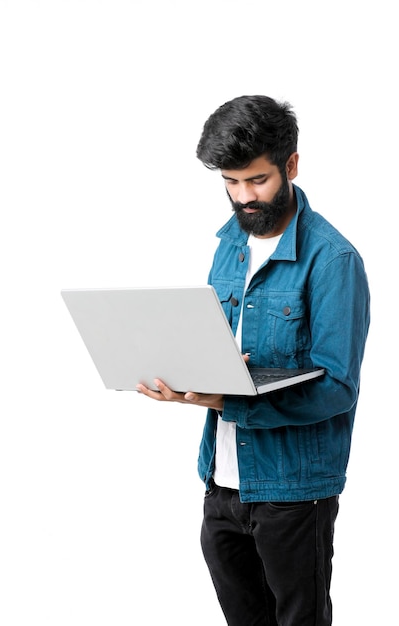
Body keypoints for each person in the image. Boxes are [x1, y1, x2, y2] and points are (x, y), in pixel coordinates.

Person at [136, 95, 370, 625]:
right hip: (221, 481)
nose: (244, 197)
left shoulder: (333, 259)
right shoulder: (229, 246)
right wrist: (187, 372)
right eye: (230, 182)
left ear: (290, 165)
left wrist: (229, 399)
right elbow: (223, 347)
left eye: (257, 180)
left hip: (292, 491)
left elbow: (337, 388)